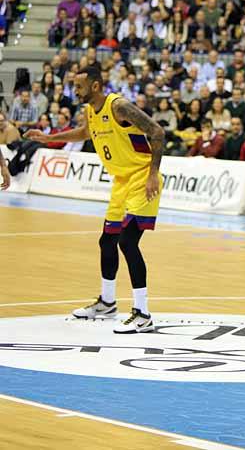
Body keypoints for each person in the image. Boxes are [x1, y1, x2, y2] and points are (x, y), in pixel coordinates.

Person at [26, 65, 165, 333]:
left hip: (142, 179)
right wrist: (49, 137)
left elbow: (157, 131)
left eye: (79, 86)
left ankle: (142, 313)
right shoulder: (91, 110)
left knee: (127, 242)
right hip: (121, 182)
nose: (74, 91)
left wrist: (153, 174)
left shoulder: (119, 106)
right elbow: (84, 133)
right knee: (107, 240)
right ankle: (107, 302)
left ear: (96, 86)